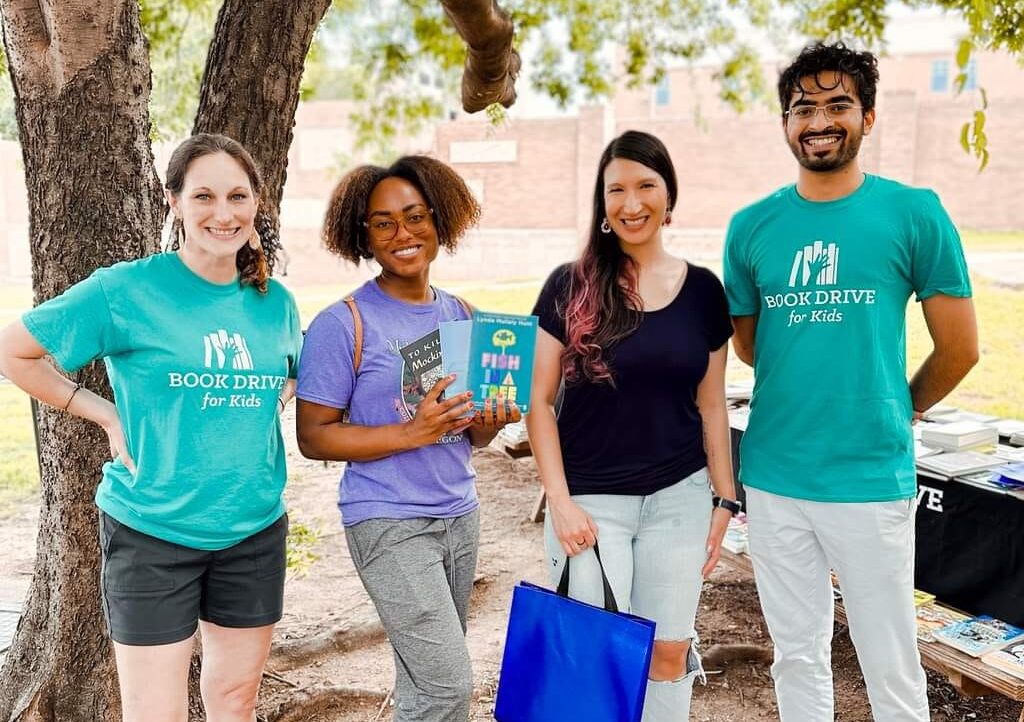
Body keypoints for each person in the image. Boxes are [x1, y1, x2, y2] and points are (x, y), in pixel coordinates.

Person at [0, 133, 303, 722]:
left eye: (238, 196)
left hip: (253, 529)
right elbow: (14, 351)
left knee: (235, 702)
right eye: (205, 196)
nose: (224, 213)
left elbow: (294, 375)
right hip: (153, 529)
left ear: (257, 204)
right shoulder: (125, 290)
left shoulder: (278, 304)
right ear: (174, 202)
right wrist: (101, 410)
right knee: (155, 714)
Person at [723, 42, 979, 722]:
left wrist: (901, 408)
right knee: (798, 653)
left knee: (889, 660)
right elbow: (753, 348)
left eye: (839, 105)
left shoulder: (914, 212)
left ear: (868, 117)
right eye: (803, 108)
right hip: (776, 479)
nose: (819, 121)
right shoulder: (750, 228)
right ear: (785, 124)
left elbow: (961, 348)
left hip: (869, 477)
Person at [294, 155, 520, 722]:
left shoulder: (465, 316)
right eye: (384, 222)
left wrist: (491, 419)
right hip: (387, 520)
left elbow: (472, 441)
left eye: (416, 216)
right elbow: (314, 438)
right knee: (448, 687)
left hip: (459, 513)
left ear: (439, 222)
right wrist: (411, 430)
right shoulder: (342, 323)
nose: (403, 233)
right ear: (362, 236)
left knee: (424, 683)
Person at [527, 129, 739, 721]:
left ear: (669, 195)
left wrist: (724, 498)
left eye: (646, 185)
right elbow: (538, 402)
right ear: (602, 204)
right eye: (615, 189)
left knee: (668, 651)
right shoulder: (569, 286)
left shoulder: (703, 292)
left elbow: (712, 405)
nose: (632, 201)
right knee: (594, 660)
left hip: (680, 499)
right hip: (591, 507)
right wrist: (560, 502)